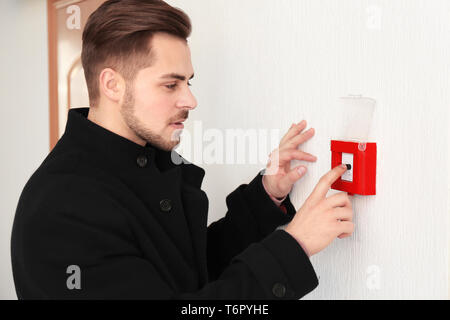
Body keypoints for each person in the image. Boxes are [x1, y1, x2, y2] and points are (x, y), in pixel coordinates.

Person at [10, 0, 353, 299]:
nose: (190, 100)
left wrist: (266, 195)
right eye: (170, 84)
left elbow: (190, 271)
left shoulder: (145, 162)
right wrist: (295, 246)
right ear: (112, 85)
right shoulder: (63, 207)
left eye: (188, 82)